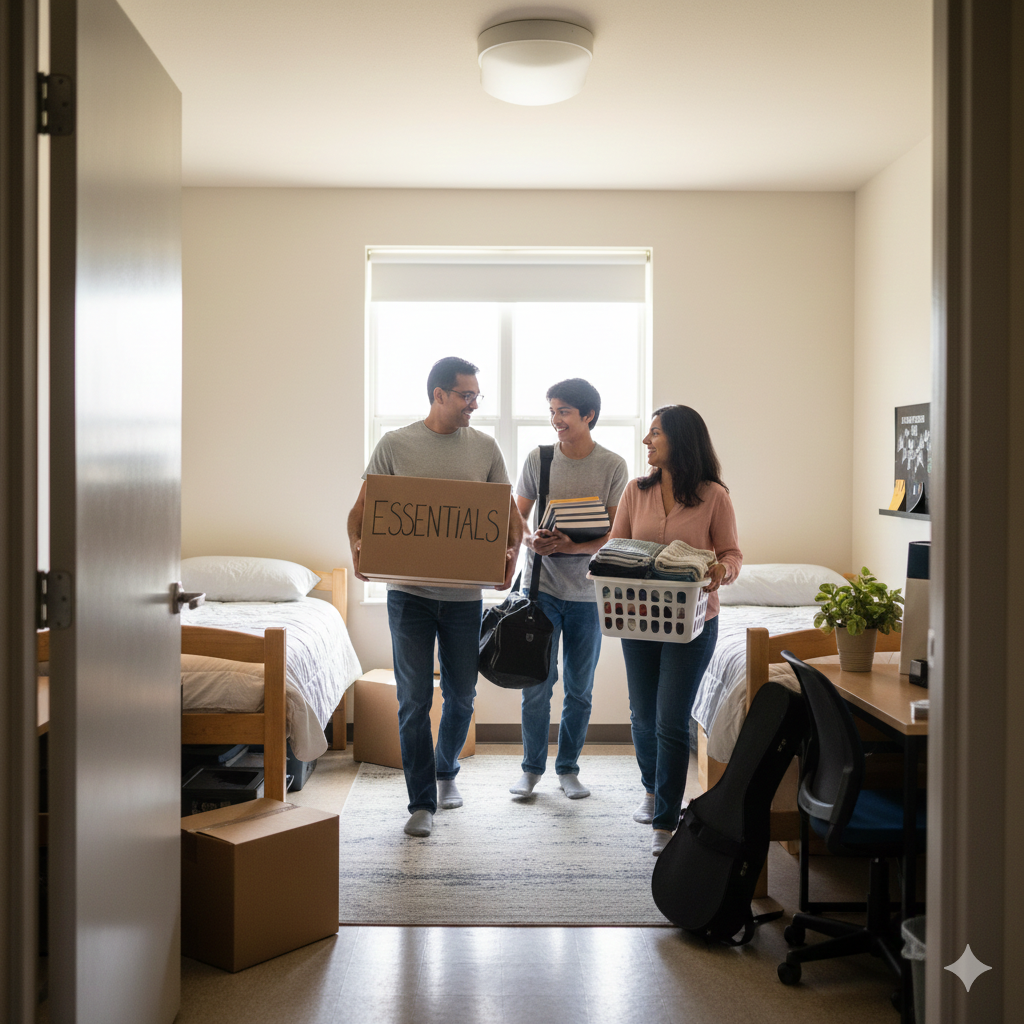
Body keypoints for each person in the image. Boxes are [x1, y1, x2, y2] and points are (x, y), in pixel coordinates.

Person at [347, 357, 523, 839]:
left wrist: (510, 557)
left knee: (463, 696)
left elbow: (510, 519)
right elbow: (360, 513)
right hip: (409, 597)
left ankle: (446, 771)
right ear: (438, 394)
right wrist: (360, 552)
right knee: (413, 701)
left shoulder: (484, 449)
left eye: (476, 396)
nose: (473, 404)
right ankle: (421, 800)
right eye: (466, 395)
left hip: (465, 599)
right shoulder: (395, 445)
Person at [608, 405, 742, 856]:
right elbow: (615, 549)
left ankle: (666, 819)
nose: (647, 441)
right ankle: (652, 789)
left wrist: (722, 568)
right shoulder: (635, 491)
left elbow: (732, 553)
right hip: (637, 617)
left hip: (692, 622)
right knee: (643, 716)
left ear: (680, 440)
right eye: (647, 434)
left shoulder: (714, 496)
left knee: (669, 720)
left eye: (655, 434)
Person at [511, 379, 628, 801]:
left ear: (588, 415)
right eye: (552, 411)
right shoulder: (538, 459)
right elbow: (517, 518)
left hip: (588, 596)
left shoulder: (613, 466)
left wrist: (574, 546)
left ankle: (569, 769)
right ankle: (530, 770)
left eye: (563, 412)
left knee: (579, 689)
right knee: (536, 686)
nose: (555, 420)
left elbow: (617, 534)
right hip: (540, 591)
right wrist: (531, 541)